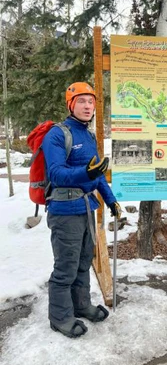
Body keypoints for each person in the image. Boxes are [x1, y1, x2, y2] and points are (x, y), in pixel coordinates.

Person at [44, 82, 122, 338]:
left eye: (91, 102)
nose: (88, 106)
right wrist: (84, 172)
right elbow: (56, 173)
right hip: (65, 211)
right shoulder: (57, 135)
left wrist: (111, 200)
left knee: (82, 262)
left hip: (87, 207)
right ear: (71, 105)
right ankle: (60, 317)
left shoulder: (88, 136)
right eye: (82, 101)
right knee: (65, 266)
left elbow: (97, 175)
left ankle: (81, 304)